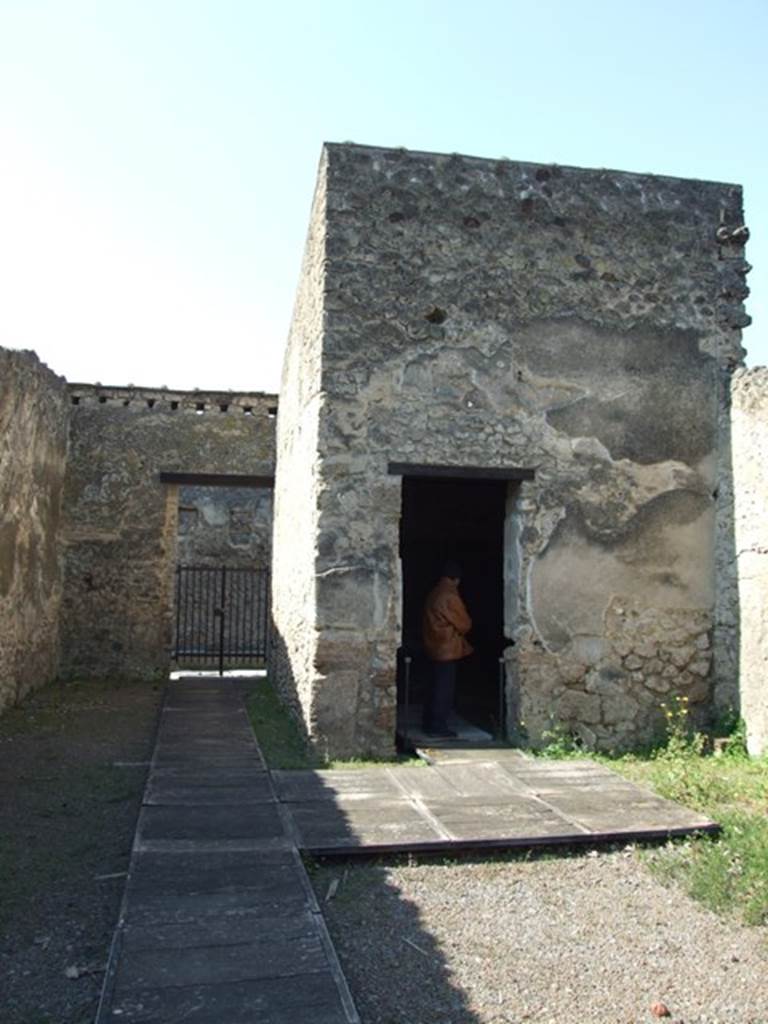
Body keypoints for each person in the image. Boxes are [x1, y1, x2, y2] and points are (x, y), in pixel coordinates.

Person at [421, 560, 473, 737]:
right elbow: (464, 624)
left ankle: (429, 723)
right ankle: (438, 726)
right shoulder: (450, 595)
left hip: (434, 647)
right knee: (444, 689)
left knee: (434, 686)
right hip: (447, 649)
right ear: (456, 579)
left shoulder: (434, 592)